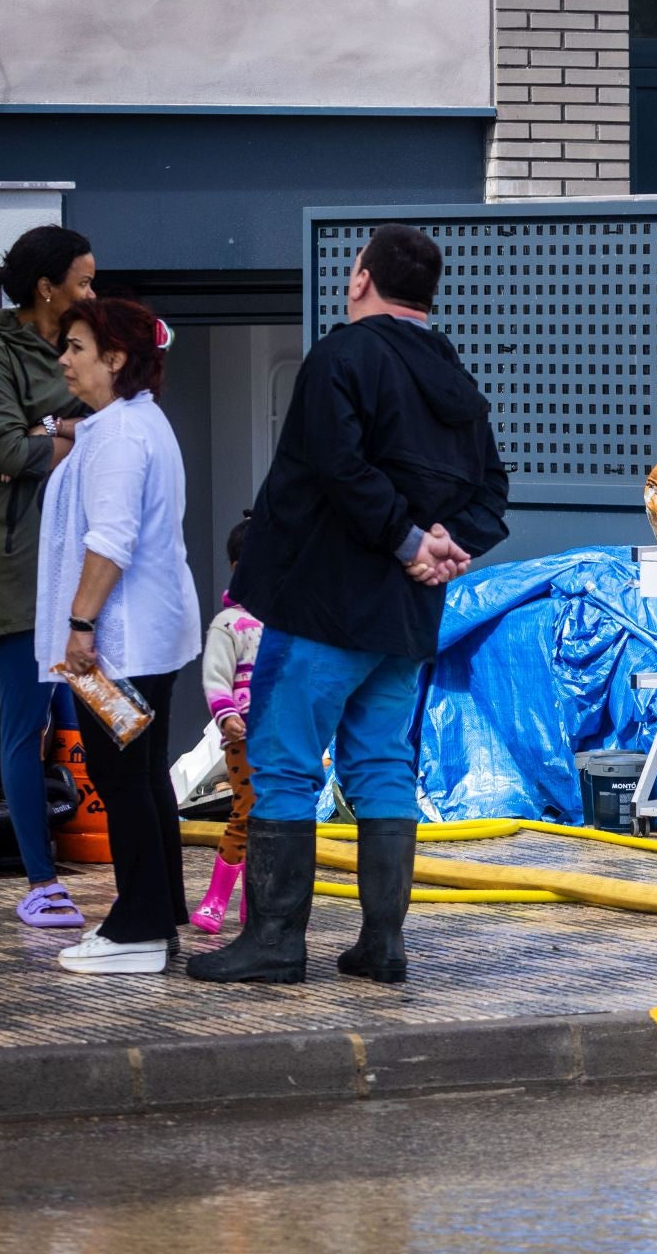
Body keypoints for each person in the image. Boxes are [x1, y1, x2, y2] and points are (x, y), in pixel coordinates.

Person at [188, 224, 508, 986]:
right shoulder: (456, 381)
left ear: (361, 278)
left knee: (283, 763)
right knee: (383, 765)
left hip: (321, 607)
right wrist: (443, 546)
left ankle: (274, 941)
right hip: (405, 620)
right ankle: (382, 944)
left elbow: (338, 465)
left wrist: (409, 540)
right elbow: (493, 493)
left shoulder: (341, 358)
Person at [37, 298, 202, 974]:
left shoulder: (120, 436)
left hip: (116, 642)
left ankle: (137, 927)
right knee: (142, 774)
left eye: (76, 347)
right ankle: (156, 915)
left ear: (116, 357)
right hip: (145, 635)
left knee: (121, 776)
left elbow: (110, 539)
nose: (64, 360)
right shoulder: (135, 422)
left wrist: (79, 626)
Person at [0, 225, 97, 928]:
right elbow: (9, 450)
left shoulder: (85, 343)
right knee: (25, 722)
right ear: (46, 287)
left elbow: (114, 427)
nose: (93, 292)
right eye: (84, 281)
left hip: (88, 561)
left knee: (113, 713)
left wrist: (49, 430)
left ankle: (137, 865)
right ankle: (42, 881)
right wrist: (68, 433)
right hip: (22, 566)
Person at [193, 512, 263, 933]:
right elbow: (216, 677)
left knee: (272, 819)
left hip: (280, 736)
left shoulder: (287, 620)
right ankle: (216, 901)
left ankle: (254, 905)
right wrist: (227, 714)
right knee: (246, 813)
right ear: (239, 569)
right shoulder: (228, 624)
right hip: (245, 735)